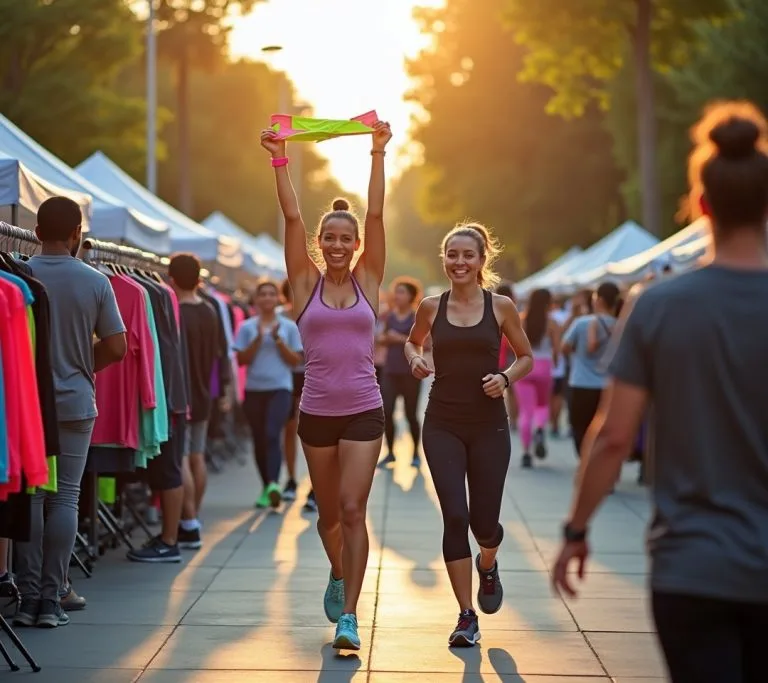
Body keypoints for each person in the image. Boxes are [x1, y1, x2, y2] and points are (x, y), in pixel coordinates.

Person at [552, 101, 768, 683]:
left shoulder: (659, 307)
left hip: (692, 566)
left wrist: (576, 530)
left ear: (701, 206)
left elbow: (614, 434)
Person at [260, 118, 392, 651]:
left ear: (357, 244)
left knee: (356, 511)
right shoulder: (303, 284)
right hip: (315, 412)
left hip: (364, 408)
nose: (338, 245)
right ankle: (338, 573)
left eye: (346, 239)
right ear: (320, 244)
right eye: (329, 239)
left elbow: (378, 211)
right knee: (328, 518)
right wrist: (279, 157)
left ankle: (351, 617)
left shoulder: (369, 281)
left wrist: (378, 152)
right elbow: (291, 214)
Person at [404, 222, 533, 648]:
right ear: (444, 259)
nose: (459, 262)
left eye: (467, 255)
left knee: (484, 523)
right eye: (452, 255)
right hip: (441, 422)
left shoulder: (501, 308)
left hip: (489, 426)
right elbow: (413, 343)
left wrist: (506, 377)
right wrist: (416, 359)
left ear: (481, 261)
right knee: (455, 516)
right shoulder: (429, 306)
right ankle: (465, 616)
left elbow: (526, 357)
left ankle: (489, 564)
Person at [14, 196, 127, 628]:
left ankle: (26, 598)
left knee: (32, 497)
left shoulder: (17, 275)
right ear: (78, 234)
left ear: (37, 232)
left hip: (28, 404)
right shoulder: (96, 280)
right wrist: (83, 363)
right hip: (76, 401)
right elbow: (117, 346)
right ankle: (53, 596)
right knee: (65, 498)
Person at [168, 253, 223, 551]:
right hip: (204, 392)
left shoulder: (176, 311)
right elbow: (217, 354)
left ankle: (188, 522)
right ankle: (194, 516)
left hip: (182, 393)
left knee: (181, 457)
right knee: (197, 455)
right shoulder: (211, 310)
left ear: (172, 278)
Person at [234, 279, 302, 509]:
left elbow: (296, 361)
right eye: (262, 294)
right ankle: (267, 486)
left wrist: (277, 341)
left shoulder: (289, 327)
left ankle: (273, 484)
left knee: (273, 433)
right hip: (254, 389)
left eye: (271, 294)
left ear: (278, 299)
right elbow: (242, 360)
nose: (266, 298)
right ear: (256, 300)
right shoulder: (247, 327)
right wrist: (257, 341)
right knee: (259, 439)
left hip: (280, 388)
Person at [561, 282, 621, 458]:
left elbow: (564, 347)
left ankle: (586, 462)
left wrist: (577, 353)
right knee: (605, 430)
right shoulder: (621, 325)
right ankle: (602, 465)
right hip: (609, 386)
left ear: (599, 300)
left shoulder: (581, 323)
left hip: (581, 383)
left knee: (580, 427)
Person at [278, 278, 317, 512]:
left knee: (313, 434)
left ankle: (316, 487)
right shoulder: (279, 316)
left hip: (313, 376)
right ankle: (291, 479)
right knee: (290, 429)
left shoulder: (317, 312)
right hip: (285, 378)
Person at [378, 276, 423, 468]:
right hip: (390, 371)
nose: (397, 296)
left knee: (410, 414)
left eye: (401, 292)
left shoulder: (417, 317)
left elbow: (425, 342)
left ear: (411, 296)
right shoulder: (389, 316)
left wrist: (399, 338)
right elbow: (381, 338)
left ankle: (415, 454)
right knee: (386, 412)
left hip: (411, 372)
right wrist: (386, 338)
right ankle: (390, 453)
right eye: (396, 291)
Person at [514, 288, 559, 468]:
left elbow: (514, 345)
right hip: (545, 367)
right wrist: (554, 363)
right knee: (542, 405)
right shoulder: (552, 323)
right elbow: (556, 348)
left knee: (525, 411)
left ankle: (526, 452)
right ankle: (540, 428)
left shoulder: (521, 320)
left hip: (525, 366)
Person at [495, 282, 518, 429]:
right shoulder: (512, 310)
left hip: (496, 355)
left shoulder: (491, 308)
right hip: (510, 356)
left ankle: (501, 418)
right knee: (512, 391)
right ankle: (513, 420)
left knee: (496, 389)